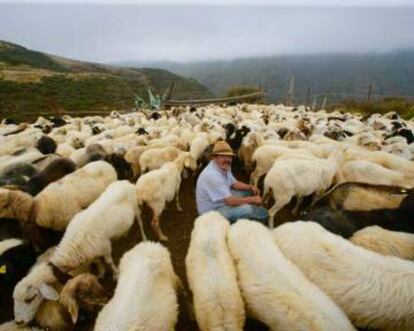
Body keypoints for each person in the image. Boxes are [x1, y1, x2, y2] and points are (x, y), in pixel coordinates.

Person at [196, 140, 268, 224]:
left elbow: (234, 184)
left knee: (247, 192)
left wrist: (250, 187)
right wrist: (252, 199)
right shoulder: (212, 175)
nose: (227, 159)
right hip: (210, 212)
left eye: (229, 156)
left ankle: (235, 215)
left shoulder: (224, 166)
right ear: (214, 157)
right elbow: (230, 201)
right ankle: (231, 225)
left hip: (219, 202)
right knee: (247, 208)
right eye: (223, 156)